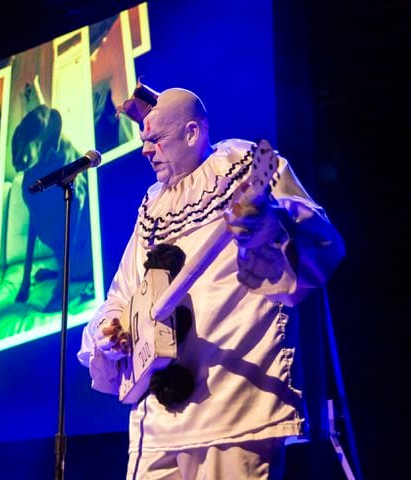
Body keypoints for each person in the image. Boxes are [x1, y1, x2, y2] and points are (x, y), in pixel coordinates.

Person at [77, 86, 345, 479]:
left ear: (192, 133)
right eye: (144, 141)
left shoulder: (244, 164)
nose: (145, 151)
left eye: (155, 140)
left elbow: (318, 242)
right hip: (158, 421)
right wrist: (108, 328)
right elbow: (124, 291)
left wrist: (267, 228)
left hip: (235, 407)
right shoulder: (153, 204)